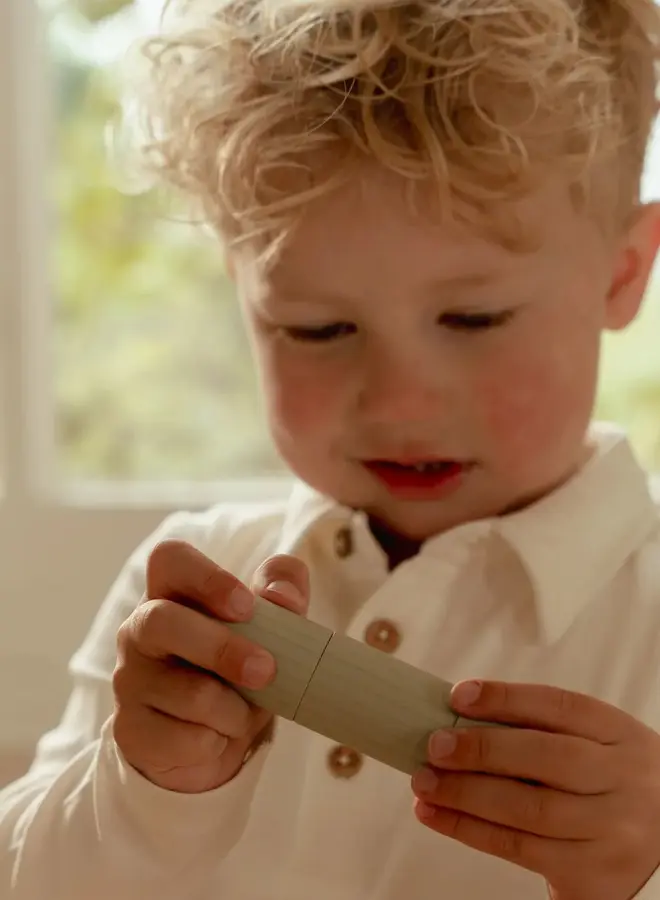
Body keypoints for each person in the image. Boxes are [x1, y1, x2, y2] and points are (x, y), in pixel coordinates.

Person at [3, 0, 660, 897]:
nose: (398, 401)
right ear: (243, 293)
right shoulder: (192, 589)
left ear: (623, 274)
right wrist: (142, 794)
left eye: (474, 318)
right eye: (316, 329)